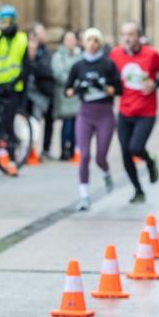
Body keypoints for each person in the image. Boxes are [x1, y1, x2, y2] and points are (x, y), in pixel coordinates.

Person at [109, 21, 159, 203]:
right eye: (124, 34)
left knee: (135, 147)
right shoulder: (115, 54)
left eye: (131, 34)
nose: (127, 38)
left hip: (146, 111)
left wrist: (155, 84)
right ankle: (138, 190)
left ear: (138, 37)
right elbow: (109, 75)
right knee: (125, 153)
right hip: (125, 110)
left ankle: (150, 161)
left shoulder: (151, 55)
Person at [65, 28, 121, 208]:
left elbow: (119, 89)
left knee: (100, 157)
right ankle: (84, 196)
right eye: (89, 40)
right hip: (85, 113)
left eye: (96, 40)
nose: (92, 44)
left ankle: (105, 173)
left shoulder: (108, 65)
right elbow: (67, 90)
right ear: (84, 42)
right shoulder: (78, 66)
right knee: (84, 155)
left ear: (100, 43)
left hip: (104, 113)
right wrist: (78, 89)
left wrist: (104, 87)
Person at [0, 5, 29, 156]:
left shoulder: (22, 38)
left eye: (10, 20)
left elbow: (26, 64)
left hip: (13, 85)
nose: (7, 23)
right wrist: (2, 34)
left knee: (8, 119)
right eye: (4, 20)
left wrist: (17, 80)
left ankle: (11, 153)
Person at [49, 30, 83, 160]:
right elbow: (58, 73)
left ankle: (75, 148)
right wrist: (70, 83)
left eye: (72, 39)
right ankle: (65, 149)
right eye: (67, 39)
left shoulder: (79, 55)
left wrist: (76, 84)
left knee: (76, 124)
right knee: (67, 124)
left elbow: (82, 71)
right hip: (64, 94)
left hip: (76, 94)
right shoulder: (58, 56)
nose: (70, 42)